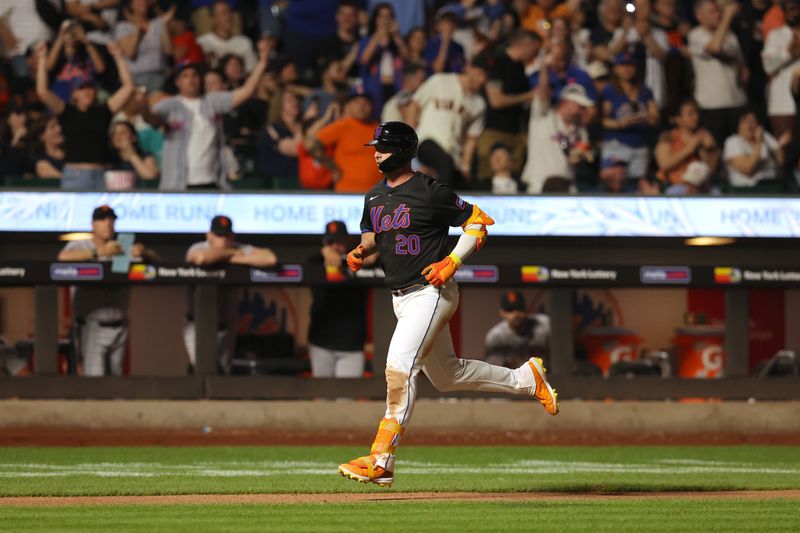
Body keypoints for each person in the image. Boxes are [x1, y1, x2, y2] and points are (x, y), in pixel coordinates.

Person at [337, 121, 559, 487]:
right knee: (447, 375)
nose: (376, 152)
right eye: (375, 146)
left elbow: (478, 222)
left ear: (404, 151)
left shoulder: (428, 189)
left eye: (384, 147)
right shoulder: (374, 195)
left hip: (431, 291)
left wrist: (453, 261)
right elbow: (374, 235)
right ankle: (526, 379)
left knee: (399, 367)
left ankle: (381, 458)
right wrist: (362, 250)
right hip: (402, 298)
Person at [142, 42, 269, 190]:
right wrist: (143, 106)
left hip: (212, 182)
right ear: (178, 82)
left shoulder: (212, 102)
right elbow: (151, 118)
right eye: (185, 76)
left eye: (195, 75)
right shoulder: (170, 105)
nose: (191, 79)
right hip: (178, 184)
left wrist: (263, 62)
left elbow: (246, 92)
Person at [57, 205, 157, 376]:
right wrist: (97, 252)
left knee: (116, 383)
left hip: (120, 326)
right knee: (95, 383)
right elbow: (61, 259)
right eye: (102, 220)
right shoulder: (79, 245)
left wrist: (145, 253)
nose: (108, 224)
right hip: (92, 326)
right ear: (93, 225)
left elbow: (156, 267)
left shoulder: (123, 247)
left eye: (111, 220)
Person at [184, 215, 277, 374]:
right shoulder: (198, 247)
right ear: (209, 235)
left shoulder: (237, 248)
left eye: (226, 236)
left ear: (232, 235)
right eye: (219, 236)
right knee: (202, 371)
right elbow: (201, 258)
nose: (223, 240)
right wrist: (233, 255)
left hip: (225, 325)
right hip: (197, 325)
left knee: (223, 374)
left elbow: (270, 258)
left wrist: (232, 256)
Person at [37, 39, 134, 190]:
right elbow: (42, 92)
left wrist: (118, 57)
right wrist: (43, 58)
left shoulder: (103, 111)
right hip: (76, 176)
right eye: (82, 89)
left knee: (102, 214)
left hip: (101, 175)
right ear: (74, 93)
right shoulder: (67, 112)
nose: (88, 92)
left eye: (90, 88)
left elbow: (128, 88)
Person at [407, 57, 489, 188]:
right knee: (445, 163)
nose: (482, 79)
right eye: (479, 73)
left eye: (486, 76)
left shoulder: (479, 104)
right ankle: (440, 206)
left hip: (452, 152)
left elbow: (472, 138)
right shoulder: (441, 81)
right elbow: (414, 106)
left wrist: (466, 166)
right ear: (469, 68)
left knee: (462, 185)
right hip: (426, 142)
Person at [308, 220, 369, 378]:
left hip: (352, 345)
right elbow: (304, 265)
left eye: (339, 242)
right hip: (321, 342)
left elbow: (376, 258)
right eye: (331, 242)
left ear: (347, 241)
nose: (335, 246)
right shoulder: (315, 261)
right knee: (322, 399)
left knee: (347, 401)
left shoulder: (358, 261)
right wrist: (324, 252)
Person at [476, 29, 540, 181]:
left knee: (513, 181)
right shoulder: (498, 63)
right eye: (535, 50)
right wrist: (528, 96)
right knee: (487, 179)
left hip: (515, 134)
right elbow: (496, 100)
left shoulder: (520, 68)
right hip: (494, 132)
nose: (535, 55)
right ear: (525, 44)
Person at [688, 0, 748, 148]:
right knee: (716, 150)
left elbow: (742, 64)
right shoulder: (696, 35)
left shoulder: (730, 36)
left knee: (738, 149)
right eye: (712, 11)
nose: (718, 15)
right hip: (712, 104)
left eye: (719, 11)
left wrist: (742, 72)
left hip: (737, 101)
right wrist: (727, 18)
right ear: (699, 16)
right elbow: (714, 48)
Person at [521, 82, 593, 193]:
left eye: (583, 107)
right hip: (539, 185)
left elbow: (582, 156)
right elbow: (542, 90)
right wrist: (544, 65)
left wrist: (579, 158)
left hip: (566, 187)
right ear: (565, 102)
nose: (581, 110)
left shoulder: (581, 131)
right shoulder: (542, 117)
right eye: (579, 105)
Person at [305, 91, 382, 192]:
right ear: (349, 106)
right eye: (357, 103)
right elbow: (313, 145)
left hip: (377, 195)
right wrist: (333, 168)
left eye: (365, 103)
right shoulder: (343, 126)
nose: (361, 107)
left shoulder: (380, 129)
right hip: (347, 192)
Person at [600, 51, 660, 181]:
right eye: (622, 65)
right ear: (615, 69)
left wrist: (646, 118)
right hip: (617, 144)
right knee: (614, 184)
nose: (626, 69)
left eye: (630, 65)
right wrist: (621, 123)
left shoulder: (645, 91)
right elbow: (602, 120)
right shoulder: (610, 91)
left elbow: (655, 117)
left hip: (640, 145)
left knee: (636, 186)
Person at [654, 99, 719, 186]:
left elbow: (711, 170)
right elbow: (664, 164)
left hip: (699, 188)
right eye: (690, 114)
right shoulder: (668, 137)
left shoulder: (703, 135)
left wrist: (709, 149)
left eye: (696, 113)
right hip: (673, 187)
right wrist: (689, 148)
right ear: (677, 119)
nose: (696, 117)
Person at [358, 3, 408, 114]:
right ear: (375, 19)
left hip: (395, 88)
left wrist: (396, 36)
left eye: (388, 16)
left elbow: (407, 57)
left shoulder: (396, 41)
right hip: (374, 90)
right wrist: (378, 37)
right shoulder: (367, 40)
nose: (385, 20)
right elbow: (364, 60)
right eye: (381, 16)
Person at [114, 0, 175, 92]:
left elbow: (169, 51)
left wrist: (164, 26)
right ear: (131, 4)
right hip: (135, 78)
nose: (143, 2)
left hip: (159, 77)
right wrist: (137, 27)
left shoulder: (158, 23)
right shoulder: (123, 27)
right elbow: (130, 53)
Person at [762, 0, 800, 140]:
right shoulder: (775, 35)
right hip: (782, 103)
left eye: (795, 9)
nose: (792, 14)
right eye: (788, 9)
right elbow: (768, 67)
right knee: (787, 151)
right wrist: (789, 54)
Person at [723, 110, 789, 191]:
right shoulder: (733, 141)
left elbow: (781, 161)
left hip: (773, 182)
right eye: (745, 121)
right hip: (747, 188)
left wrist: (780, 147)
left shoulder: (765, 136)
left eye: (753, 121)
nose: (750, 125)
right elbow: (747, 169)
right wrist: (759, 143)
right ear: (738, 125)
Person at [484, 291, 550, 369]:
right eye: (510, 310)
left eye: (519, 308)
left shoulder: (544, 324)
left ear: (526, 309)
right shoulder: (496, 337)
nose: (515, 314)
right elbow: (496, 372)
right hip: (513, 379)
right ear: (502, 313)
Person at [46, 20, 106, 103]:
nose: (71, 34)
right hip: (62, 104)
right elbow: (48, 66)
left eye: (74, 31)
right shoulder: (57, 56)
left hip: (86, 103)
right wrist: (60, 38)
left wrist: (86, 40)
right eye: (67, 32)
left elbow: (101, 68)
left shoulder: (86, 53)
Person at [197, 0, 257, 71]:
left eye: (230, 12)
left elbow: (252, 70)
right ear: (213, 18)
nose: (229, 16)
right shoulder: (202, 43)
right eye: (224, 13)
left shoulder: (244, 42)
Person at [106, 120, 159, 189]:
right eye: (114, 133)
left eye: (122, 132)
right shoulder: (109, 158)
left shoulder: (145, 155)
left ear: (133, 138)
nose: (117, 136)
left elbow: (150, 175)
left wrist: (132, 155)